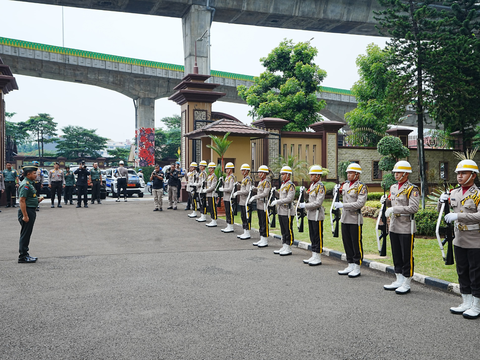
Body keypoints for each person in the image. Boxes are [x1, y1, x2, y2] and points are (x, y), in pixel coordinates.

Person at [440, 159, 480, 319]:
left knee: (475, 273)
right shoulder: (454, 193)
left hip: (475, 240)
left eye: (464, 173)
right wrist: (442, 201)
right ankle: (466, 302)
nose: (460, 176)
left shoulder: (478, 194)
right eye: (458, 173)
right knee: (462, 271)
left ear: (473, 175)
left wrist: (459, 215)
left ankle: (476, 305)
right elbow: (444, 213)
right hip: (459, 239)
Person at [382, 160, 420, 294]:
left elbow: (414, 208)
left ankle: (407, 281)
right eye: (395, 172)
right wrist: (385, 201)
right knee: (396, 253)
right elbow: (392, 201)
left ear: (405, 174)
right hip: (393, 226)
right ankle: (398, 278)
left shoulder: (412, 189)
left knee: (406, 255)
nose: (396, 174)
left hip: (406, 226)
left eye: (398, 172)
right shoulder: (393, 187)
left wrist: (394, 209)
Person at [334, 163, 368, 277]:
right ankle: (350, 264)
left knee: (356, 243)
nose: (348, 175)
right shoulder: (345, 185)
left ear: (357, 174)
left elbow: (359, 203)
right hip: (345, 218)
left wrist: (343, 205)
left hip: (355, 218)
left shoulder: (361, 187)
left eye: (351, 173)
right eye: (348, 173)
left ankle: (357, 266)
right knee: (346, 242)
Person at [18, 165, 45, 263]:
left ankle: (25, 254)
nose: (36, 175)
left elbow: (29, 198)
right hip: (27, 211)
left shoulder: (30, 183)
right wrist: (25, 215)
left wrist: (37, 200)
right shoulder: (25, 185)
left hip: (30, 210)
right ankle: (23, 256)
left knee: (27, 233)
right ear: (28, 174)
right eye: (34, 173)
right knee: (25, 234)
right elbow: (22, 200)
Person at [300, 165, 325, 266]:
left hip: (317, 214)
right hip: (311, 214)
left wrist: (305, 205)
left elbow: (318, 203)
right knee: (312, 235)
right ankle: (314, 254)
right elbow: (308, 198)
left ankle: (318, 257)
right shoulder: (312, 185)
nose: (310, 176)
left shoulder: (320, 187)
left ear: (318, 176)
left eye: (313, 174)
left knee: (317, 236)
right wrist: (303, 193)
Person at [271, 166, 296, 256]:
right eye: (281, 174)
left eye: (283, 174)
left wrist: (277, 201)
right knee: (283, 229)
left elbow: (289, 199)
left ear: (288, 175)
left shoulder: (290, 185)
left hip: (288, 211)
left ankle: (288, 247)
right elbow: (282, 196)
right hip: (281, 211)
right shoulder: (283, 185)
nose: (282, 176)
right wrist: (275, 192)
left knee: (288, 229)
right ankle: (284, 245)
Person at [249, 165, 271, 247]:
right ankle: (261, 238)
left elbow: (265, 193)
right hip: (259, 205)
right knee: (260, 222)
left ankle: (265, 239)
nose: (259, 173)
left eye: (261, 172)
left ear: (265, 173)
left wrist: (255, 197)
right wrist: (254, 188)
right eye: (259, 172)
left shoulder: (267, 182)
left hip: (264, 205)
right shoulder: (261, 182)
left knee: (264, 222)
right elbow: (259, 190)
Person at [233, 164, 252, 239]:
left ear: (247, 171)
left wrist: (238, 192)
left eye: (243, 170)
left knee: (246, 217)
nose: (241, 171)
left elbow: (247, 191)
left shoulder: (248, 180)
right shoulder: (244, 179)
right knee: (243, 216)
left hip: (246, 201)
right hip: (242, 201)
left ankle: (247, 232)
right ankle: (245, 231)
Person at [220, 162, 236, 233]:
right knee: (227, 211)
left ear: (230, 169)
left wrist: (223, 189)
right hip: (226, 197)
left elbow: (230, 188)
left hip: (229, 197)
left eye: (227, 169)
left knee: (230, 211)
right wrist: (222, 181)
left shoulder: (231, 178)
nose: (226, 170)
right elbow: (226, 185)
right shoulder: (227, 177)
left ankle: (231, 226)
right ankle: (228, 225)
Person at [201, 162, 218, 227]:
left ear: (213, 169)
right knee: (210, 207)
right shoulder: (209, 176)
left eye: (210, 168)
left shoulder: (214, 176)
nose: (208, 169)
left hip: (212, 194)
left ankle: (214, 220)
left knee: (213, 208)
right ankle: (212, 219)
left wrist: (206, 190)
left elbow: (213, 186)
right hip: (209, 194)